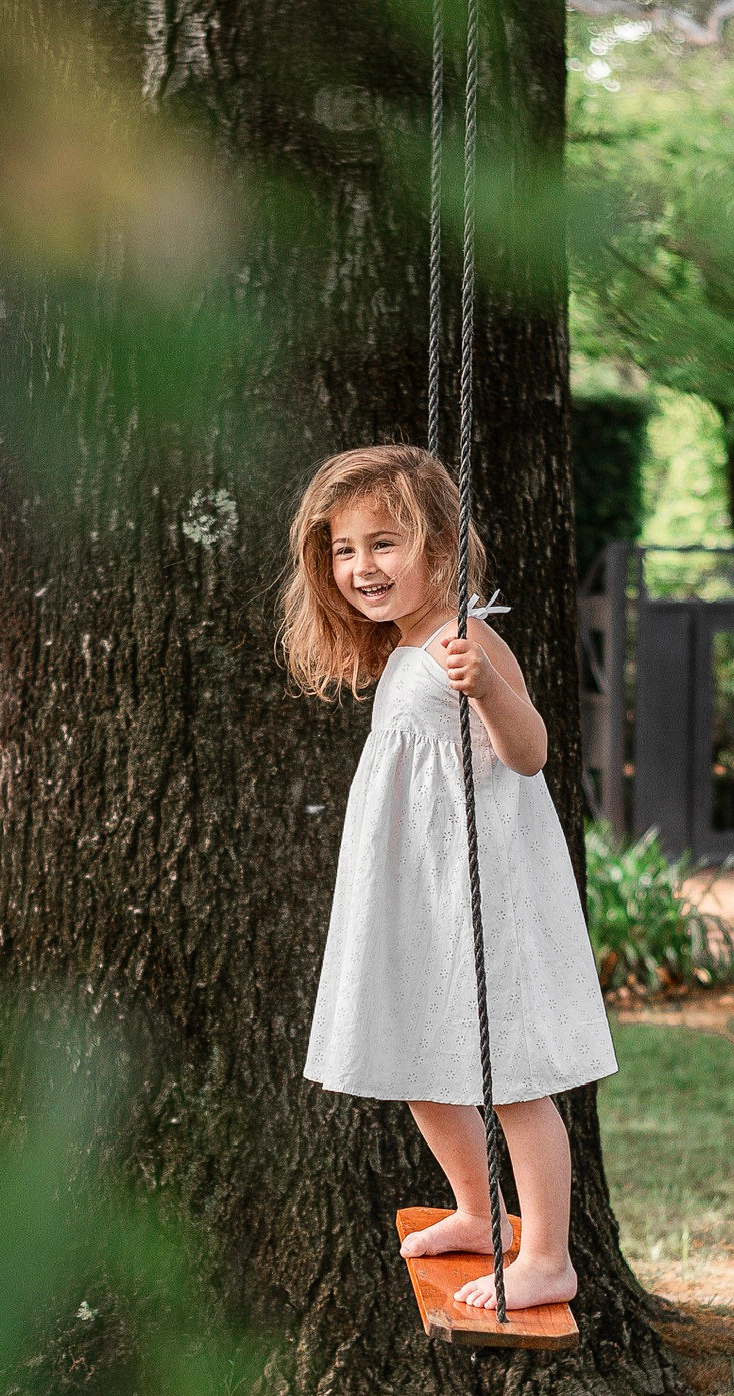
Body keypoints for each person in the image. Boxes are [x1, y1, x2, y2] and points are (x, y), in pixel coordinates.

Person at [278, 443, 616, 1312]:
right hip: (421, 894)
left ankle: (547, 1255)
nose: (362, 567)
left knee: (512, 1074)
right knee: (418, 1057)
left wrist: (491, 690)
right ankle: (479, 1211)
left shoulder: (466, 636)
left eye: (384, 544)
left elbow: (530, 751)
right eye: (345, 551)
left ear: (439, 546)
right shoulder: (404, 650)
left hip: (483, 891)